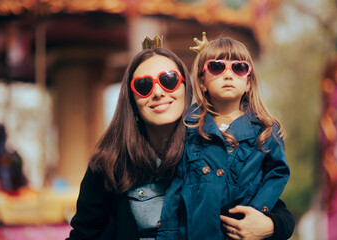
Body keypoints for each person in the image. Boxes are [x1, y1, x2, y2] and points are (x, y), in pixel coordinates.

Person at [67, 43, 294, 240]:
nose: (157, 92)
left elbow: (275, 209)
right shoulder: (110, 162)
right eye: (144, 86)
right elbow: (84, 234)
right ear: (132, 98)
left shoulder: (211, 145)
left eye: (169, 80)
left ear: (187, 87)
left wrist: (271, 226)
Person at [157, 35, 291, 240]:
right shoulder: (187, 128)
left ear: (248, 82)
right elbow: (175, 189)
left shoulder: (265, 131)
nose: (228, 75)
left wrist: (257, 212)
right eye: (217, 67)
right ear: (202, 81)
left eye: (238, 68)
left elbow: (277, 174)